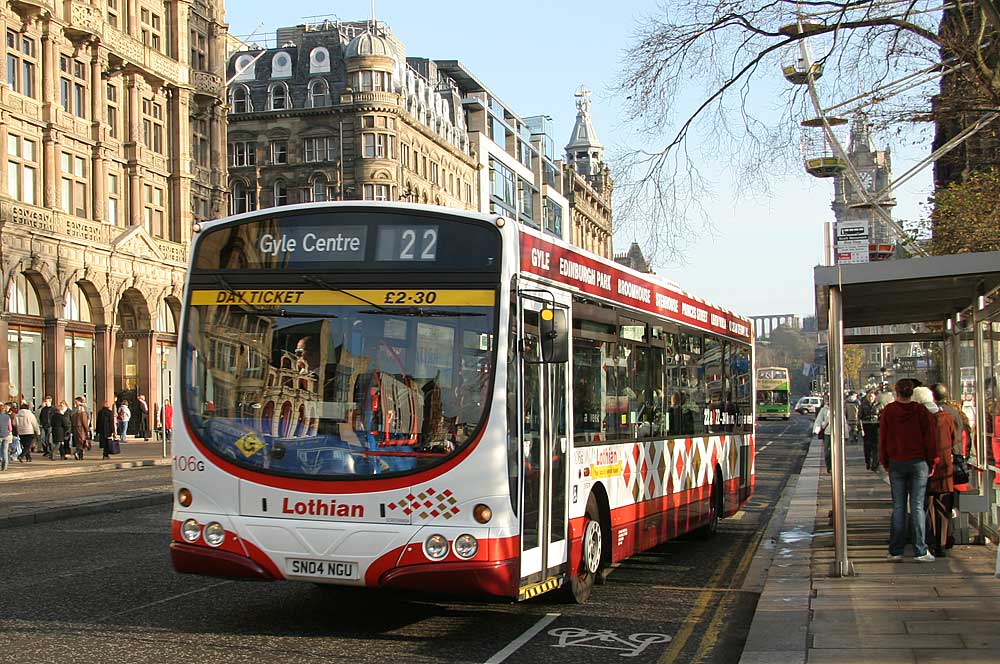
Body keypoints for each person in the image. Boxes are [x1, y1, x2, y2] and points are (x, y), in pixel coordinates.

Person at [880, 379, 938, 562]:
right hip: (919, 462)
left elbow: (883, 438)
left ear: (896, 392)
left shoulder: (889, 411)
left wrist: (885, 461)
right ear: (912, 393)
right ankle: (920, 549)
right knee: (917, 506)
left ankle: (896, 550)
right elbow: (929, 438)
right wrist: (932, 462)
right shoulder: (921, 411)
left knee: (898, 507)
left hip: (896, 462)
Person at [913, 386, 956, 558]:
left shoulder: (918, 419)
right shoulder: (946, 418)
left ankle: (928, 541)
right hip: (945, 468)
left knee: (926, 505)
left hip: (925, 466)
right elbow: (954, 439)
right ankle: (942, 543)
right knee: (943, 506)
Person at [859, 391, 881, 471]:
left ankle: (875, 464)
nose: (871, 398)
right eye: (869, 396)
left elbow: (882, 415)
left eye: (872, 396)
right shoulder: (863, 405)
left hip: (876, 427)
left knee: (876, 446)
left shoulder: (879, 405)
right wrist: (860, 429)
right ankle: (868, 461)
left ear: (875, 397)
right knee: (867, 446)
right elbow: (859, 417)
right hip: (866, 427)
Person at [0, 403, 12, 472]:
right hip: (6, 435)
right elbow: (10, 428)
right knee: (5, 451)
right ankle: (5, 467)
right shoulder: (7, 417)